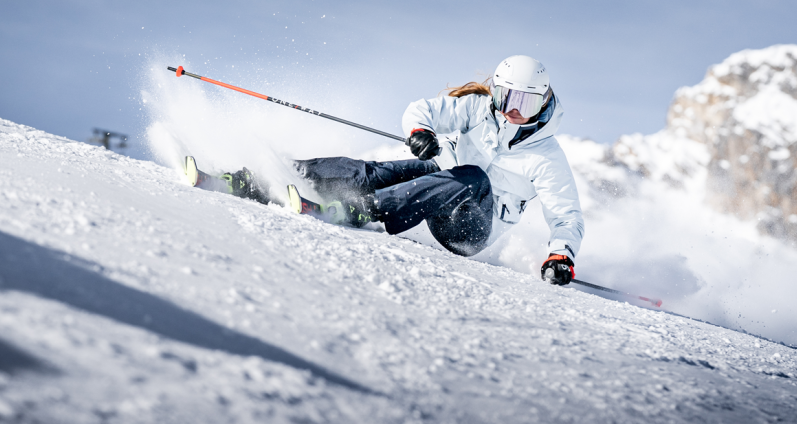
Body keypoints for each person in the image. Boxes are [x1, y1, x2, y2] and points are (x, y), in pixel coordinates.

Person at [185, 55, 585, 285]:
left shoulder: (546, 156)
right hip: (440, 188)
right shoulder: (480, 109)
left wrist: (560, 255)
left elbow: (566, 214)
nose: (513, 110)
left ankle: (364, 209)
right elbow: (422, 110)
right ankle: (266, 176)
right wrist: (420, 133)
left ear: (543, 102)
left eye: (525, 102)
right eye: (505, 97)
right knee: (377, 170)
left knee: (471, 176)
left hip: (470, 229)